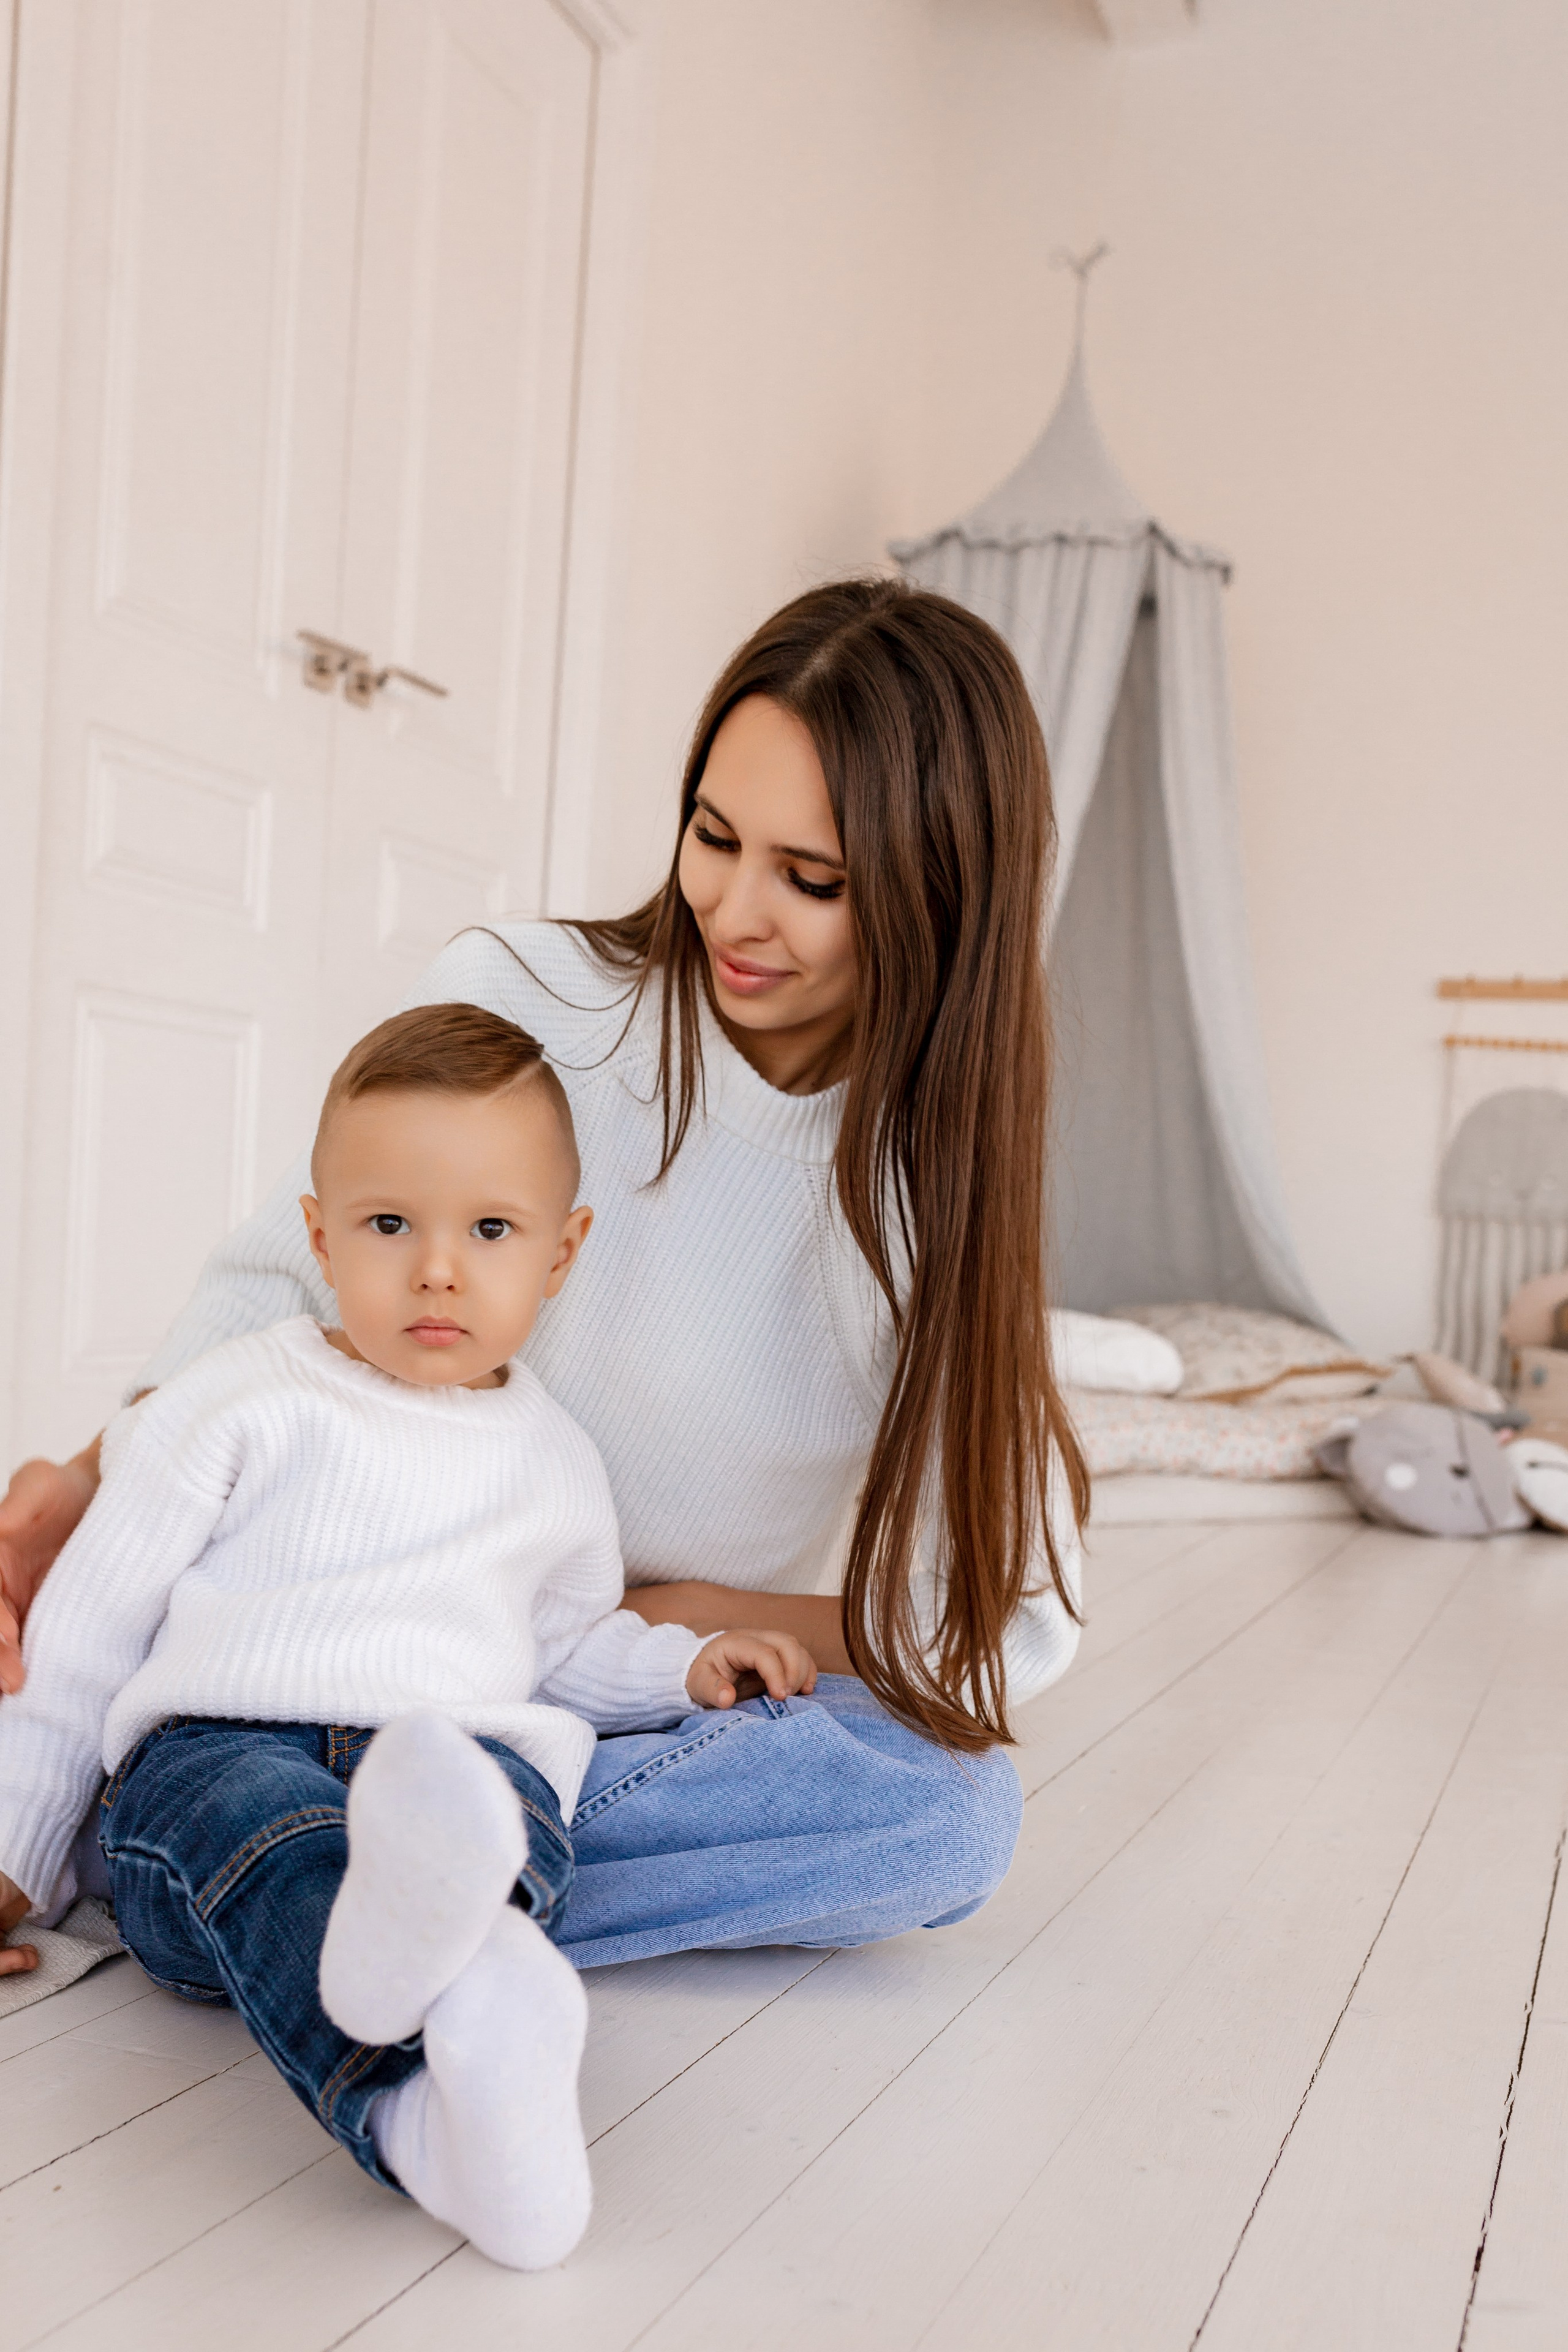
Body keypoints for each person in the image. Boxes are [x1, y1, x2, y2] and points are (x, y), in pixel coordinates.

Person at [0, 575, 1090, 1978]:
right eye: (712, 836)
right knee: (160, 1709)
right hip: (320, 1644)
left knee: (949, 1815)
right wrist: (91, 1493)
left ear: (942, 892)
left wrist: (675, 1619)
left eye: (810, 881)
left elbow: (1001, 1629)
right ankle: (316, 1885)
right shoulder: (525, 997)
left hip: (572, 1688)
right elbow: (280, 1287)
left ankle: (303, 1899)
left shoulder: (924, 1194)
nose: (734, 912)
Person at [0, 1004, 814, 2267]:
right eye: (390, 1226)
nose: (437, 1268)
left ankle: (437, 2095)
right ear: (320, 1237)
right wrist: (16, 1847)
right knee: (260, 1821)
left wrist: (679, 1666)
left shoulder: (552, 1461)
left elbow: (557, 1650)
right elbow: (88, 1630)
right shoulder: (240, 1400)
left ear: (560, 1252)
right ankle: (414, 1959)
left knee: (499, 1809)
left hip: (444, 1752)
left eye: (489, 1230)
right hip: (224, 1750)